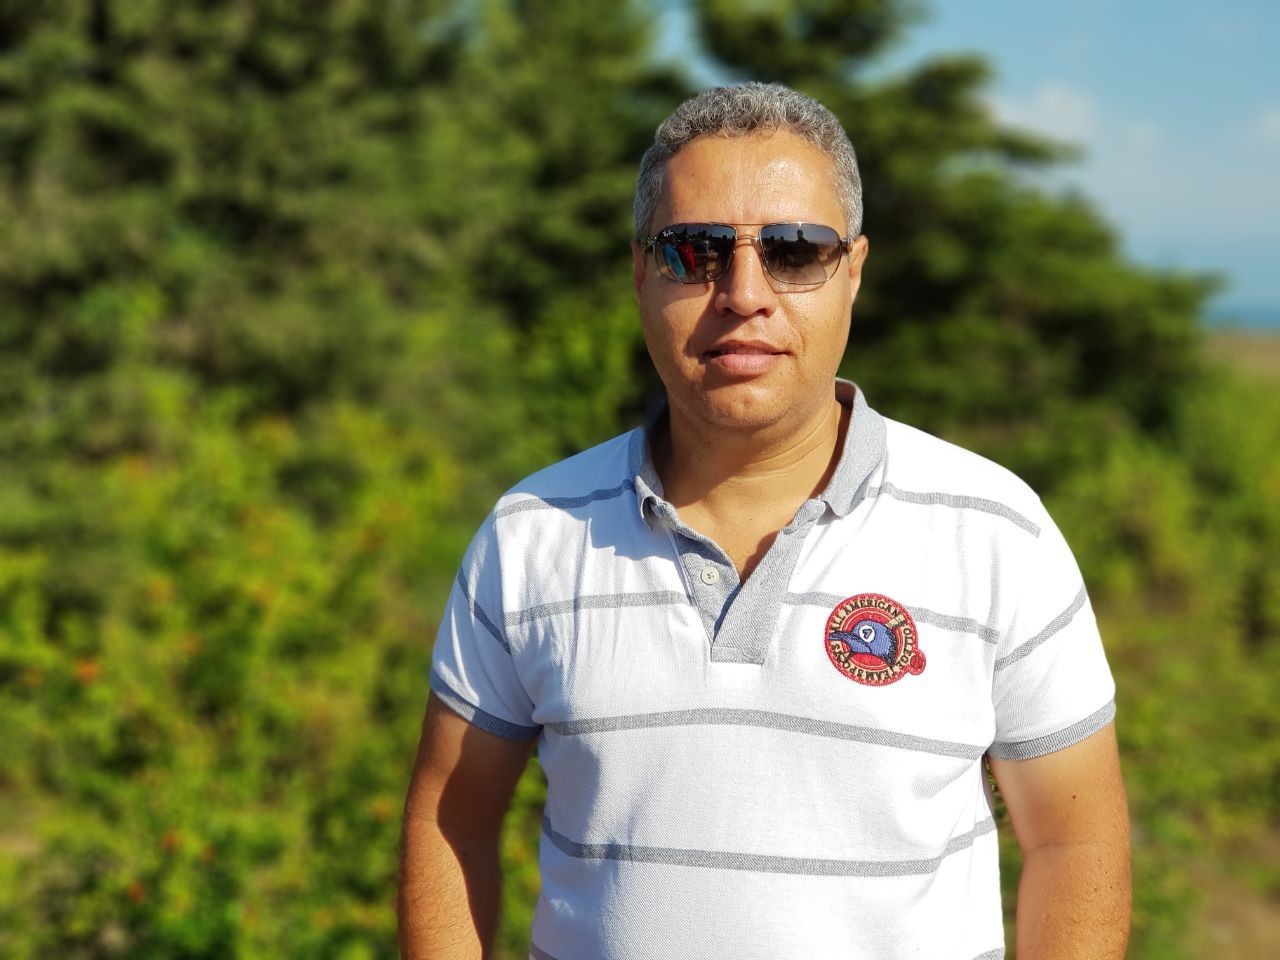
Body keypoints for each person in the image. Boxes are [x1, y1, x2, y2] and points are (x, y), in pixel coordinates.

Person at [398, 82, 1130, 960]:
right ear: (641, 272)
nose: (744, 292)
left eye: (793, 251)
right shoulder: (530, 536)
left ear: (853, 270)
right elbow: (451, 821)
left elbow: (1075, 842)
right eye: (695, 250)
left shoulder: (996, 532)